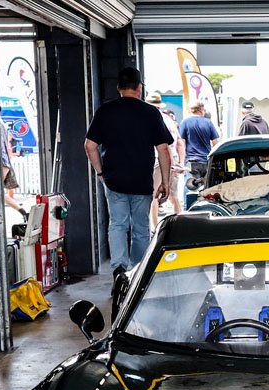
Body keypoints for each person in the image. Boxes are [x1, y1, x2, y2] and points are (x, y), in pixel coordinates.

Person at [84, 67, 173, 274]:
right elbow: (163, 149)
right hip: (142, 180)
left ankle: (119, 269)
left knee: (117, 224)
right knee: (141, 229)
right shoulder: (151, 113)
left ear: (119, 88)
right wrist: (165, 182)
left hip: (114, 180)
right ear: (139, 88)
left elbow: (89, 145)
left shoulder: (106, 111)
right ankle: (138, 272)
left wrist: (100, 172)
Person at [147, 93, 185, 227]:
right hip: (174, 159)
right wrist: (180, 162)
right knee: (174, 195)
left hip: (159, 160)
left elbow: (163, 146)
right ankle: (179, 224)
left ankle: (155, 227)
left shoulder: (151, 118)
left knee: (154, 196)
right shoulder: (169, 119)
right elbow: (179, 142)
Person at [178, 101, 220, 183]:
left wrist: (181, 161)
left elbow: (182, 143)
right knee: (206, 186)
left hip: (191, 162)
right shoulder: (208, 122)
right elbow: (215, 142)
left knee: (192, 186)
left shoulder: (185, 122)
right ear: (200, 109)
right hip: (206, 160)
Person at [0, 124, 26, 218]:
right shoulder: (3, 127)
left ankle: (22, 211)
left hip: (1, 162)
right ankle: (22, 211)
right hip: (5, 162)